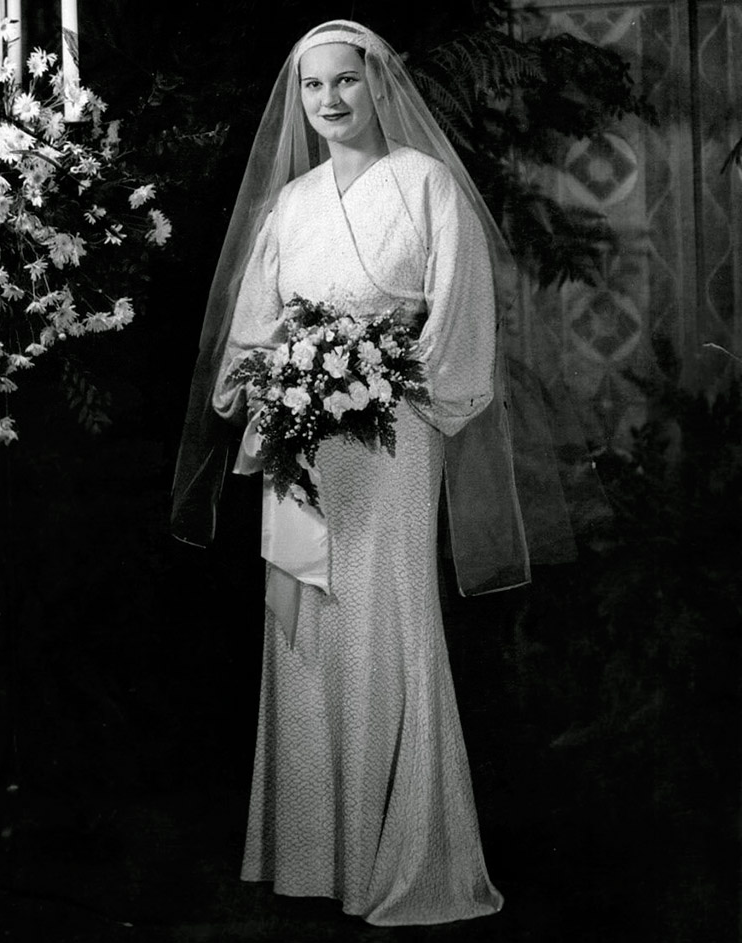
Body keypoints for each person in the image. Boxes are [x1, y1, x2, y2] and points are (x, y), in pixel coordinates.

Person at [172, 18, 556, 926]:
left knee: (386, 621)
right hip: (298, 449)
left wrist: (380, 377)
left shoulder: (427, 188)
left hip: (392, 438)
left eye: (344, 82)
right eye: (312, 87)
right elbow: (257, 328)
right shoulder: (292, 203)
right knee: (301, 624)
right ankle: (313, 857)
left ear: (379, 85)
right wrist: (276, 386)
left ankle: (404, 851)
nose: (328, 101)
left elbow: (459, 320)